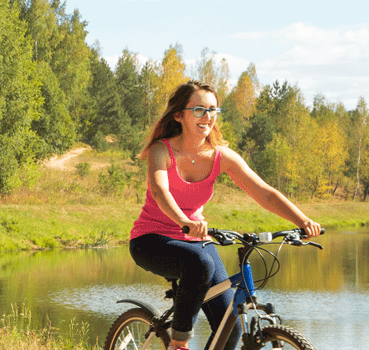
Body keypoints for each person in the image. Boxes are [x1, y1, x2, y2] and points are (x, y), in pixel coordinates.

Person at [126, 81, 324, 350]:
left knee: (230, 328)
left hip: (195, 241)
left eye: (212, 110)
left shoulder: (221, 156)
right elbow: (161, 192)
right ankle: (178, 342)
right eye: (198, 109)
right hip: (151, 240)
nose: (207, 116)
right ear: (178, 115)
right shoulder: (162, 150)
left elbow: (264, 193)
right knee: (201, 263)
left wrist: (302, 220)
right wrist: (185, 222)